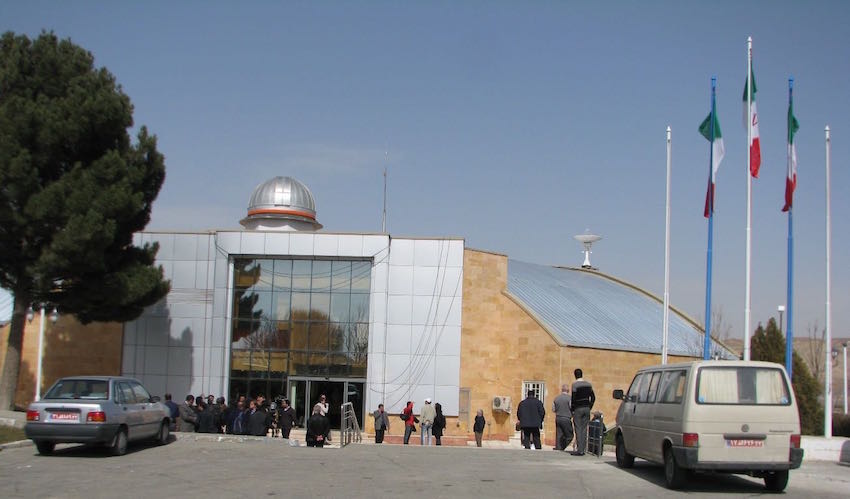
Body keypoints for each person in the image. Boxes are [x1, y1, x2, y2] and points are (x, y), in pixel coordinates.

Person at [571, 368, 596, 456]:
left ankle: (580, 450)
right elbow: (593, 397)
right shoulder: (588, 385)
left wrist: (572, 410)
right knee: (584, 429)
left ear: (575, 375)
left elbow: (573, 398)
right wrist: (590, 406)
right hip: (586, 408)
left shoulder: (575, 385)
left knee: (578, 428)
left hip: (578, 408)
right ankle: (583, 449)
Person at [552, 384, 574, 451]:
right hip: (566, 418)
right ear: (568, 390)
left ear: (562, 390)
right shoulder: (570, 398)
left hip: (558, 417)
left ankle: (558, 448)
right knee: (569, 435)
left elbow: (553, 409)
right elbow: (571, 407)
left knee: (559, 434)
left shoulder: (556, 398)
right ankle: (562, 446)